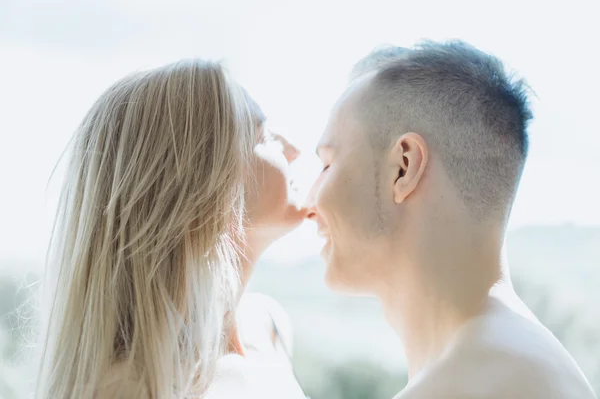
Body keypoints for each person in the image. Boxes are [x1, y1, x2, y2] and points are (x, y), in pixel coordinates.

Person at [306, 40, 597, 398]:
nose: (309, 201)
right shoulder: (519, 362)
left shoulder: (466, 384)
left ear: (403, 167)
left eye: (327, 164)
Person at [36, 59, 306, 399]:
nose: (295, 152)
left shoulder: (268, 325)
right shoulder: (127, 389)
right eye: (264, 136)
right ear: (203, 188)